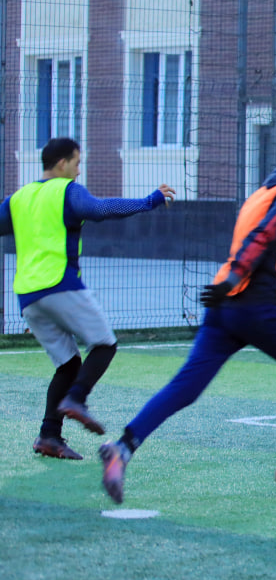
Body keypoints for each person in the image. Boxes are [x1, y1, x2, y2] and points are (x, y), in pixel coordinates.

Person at [99, 131, 276, 503]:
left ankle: (123, 448)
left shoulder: (264, 191)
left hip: (224, 308)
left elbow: (264, 254)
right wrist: (234, 278)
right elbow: (262, 238)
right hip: (255, 308)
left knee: (185, 388)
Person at [0, 137, 174, 461]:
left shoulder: (18, 198)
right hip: (60, 286)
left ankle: (49, 436)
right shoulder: (66, 190)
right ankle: (77, 399)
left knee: (68, 364)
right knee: (105, 344)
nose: (79, 171)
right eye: (78, 163)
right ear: (63, 163)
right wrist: (149, 200)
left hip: (27, 297)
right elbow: (101, 209)